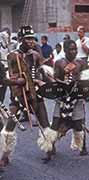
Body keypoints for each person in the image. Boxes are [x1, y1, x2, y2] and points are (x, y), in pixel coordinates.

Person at [37, 39, 88, 163]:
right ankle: (49, 150)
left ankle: (83, 147)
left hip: (77, 98)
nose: (74, 51)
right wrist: (63, 84)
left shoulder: (81, 63)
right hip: (62, 98)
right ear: (65, 50)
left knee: (79, 124)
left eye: (75, 49)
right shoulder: (59, 63)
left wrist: (81, 88)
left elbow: (86, 79)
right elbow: (54, 79)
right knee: (55, 124)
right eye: (71, 49)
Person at [7, 25, 50, 161]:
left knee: (44, 122)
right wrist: (17, 81)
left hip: (35, 93)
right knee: (10, 126)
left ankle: (49, 148)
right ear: (20, 39)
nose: (31, 42)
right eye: (27, 39)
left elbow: (40, 72)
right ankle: (4, 154)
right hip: (18, 94)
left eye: (32, 38)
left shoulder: (36, 55)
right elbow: (10, 77)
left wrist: (42, 81)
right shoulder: (13, 55)